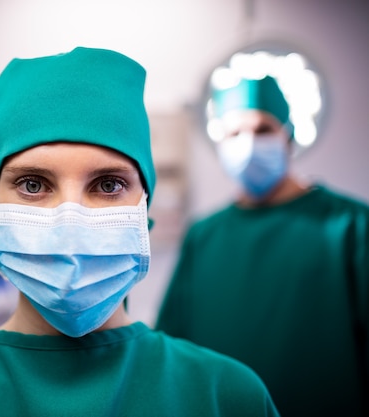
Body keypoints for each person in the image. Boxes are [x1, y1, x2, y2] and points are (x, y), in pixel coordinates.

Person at [0, 47, 279, 417]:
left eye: (108, 185)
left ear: (144, 208)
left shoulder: (226, 398)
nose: (69, 220)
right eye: (33, 185)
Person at [155, 75, 369, 416]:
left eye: (263, 130)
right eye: (234, 134)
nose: (248, 143)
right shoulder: (203, 236)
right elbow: (171, 349)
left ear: (289, 136)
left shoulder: (351, 225)